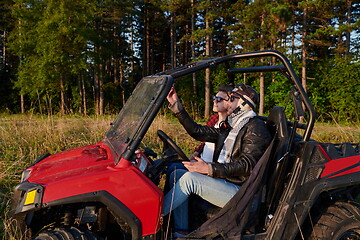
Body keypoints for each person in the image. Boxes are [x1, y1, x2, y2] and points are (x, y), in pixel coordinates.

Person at [162, 84, 272, 237]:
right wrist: (176, 106)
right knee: (177, 174)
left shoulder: (255, 128)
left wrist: (209, 169)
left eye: (232, 98)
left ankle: (150, 220)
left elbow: (248, 166)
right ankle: (181, 231)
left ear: (243, 103)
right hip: (227, 182)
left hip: (241, 192)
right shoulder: (233, 125)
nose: (227, 102)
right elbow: (197, 131)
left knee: (189, 179)